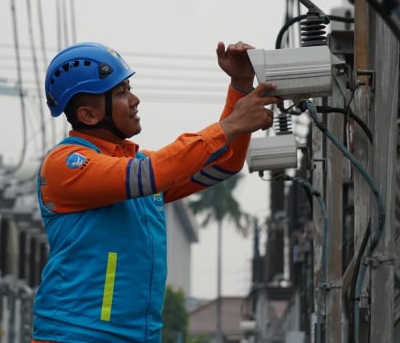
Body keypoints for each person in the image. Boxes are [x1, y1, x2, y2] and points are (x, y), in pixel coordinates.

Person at [32, 41, 280, 342]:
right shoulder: (67, 164)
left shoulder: (135, 165)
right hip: (76, 335)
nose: (135, 100)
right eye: (121, 93)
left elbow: (223, 165)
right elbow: (150, 174)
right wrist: (230, 125)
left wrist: (239, 86)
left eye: (129, 88)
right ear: (88, 115)